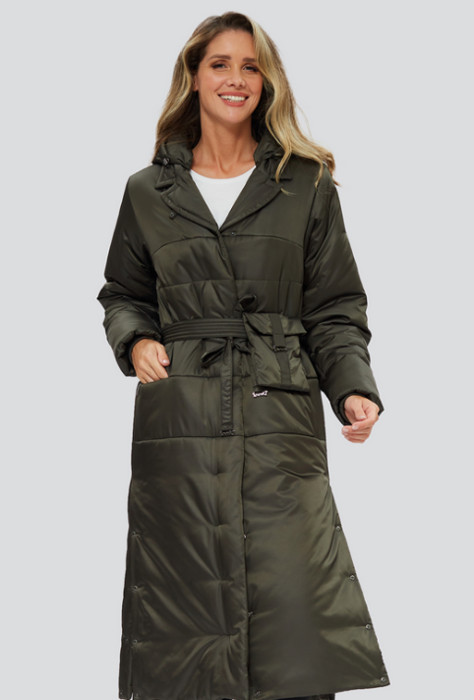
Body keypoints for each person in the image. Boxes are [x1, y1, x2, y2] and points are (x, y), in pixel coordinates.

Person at [97, 11, 390, 700]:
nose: (236, 78)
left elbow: (334, 306)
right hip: (181, 420)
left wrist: (353, 387)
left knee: (293, 604)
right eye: (221, 64)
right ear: (194, 77)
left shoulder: (304, 183)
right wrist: (137, 340)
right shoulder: (148, 191)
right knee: (184, 604)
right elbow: (123, 293)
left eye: (251, 65)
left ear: (268, 81)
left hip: (279, 415)